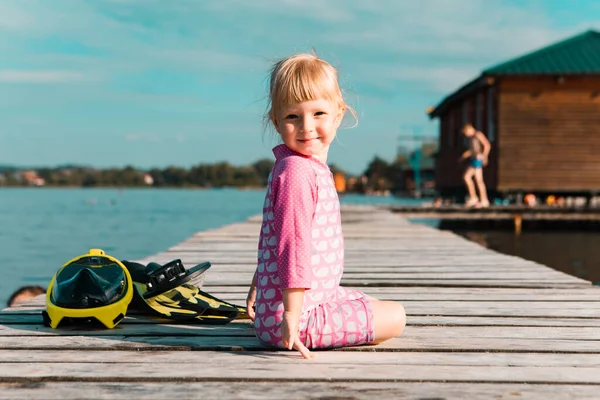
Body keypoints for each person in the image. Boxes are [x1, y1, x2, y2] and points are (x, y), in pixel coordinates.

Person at [246, 53, 406, 359]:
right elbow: (292, 245)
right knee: (396, 316)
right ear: (276, 121)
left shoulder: (301, 167)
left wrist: (259, 283)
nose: (306, 126)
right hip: (295, 318)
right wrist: (291, 316)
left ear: (338, 114)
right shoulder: (297, 172)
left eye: (318, 113)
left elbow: (275, 239)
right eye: (293, 116)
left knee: (370, 302)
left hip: (302, 302)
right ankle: (289, 324)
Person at [460, 123, 491, 208]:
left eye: (466, 133)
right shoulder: (471, 138)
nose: (466, 135)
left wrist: (484, 156)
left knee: (467, 177)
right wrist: (466, 154)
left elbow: (487, 145)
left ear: (468, 130)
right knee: (478, 180)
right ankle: (483, 200)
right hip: (474, 159)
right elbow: (474, 149)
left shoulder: (478, 134)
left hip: (478, 159)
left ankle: (475, 198)